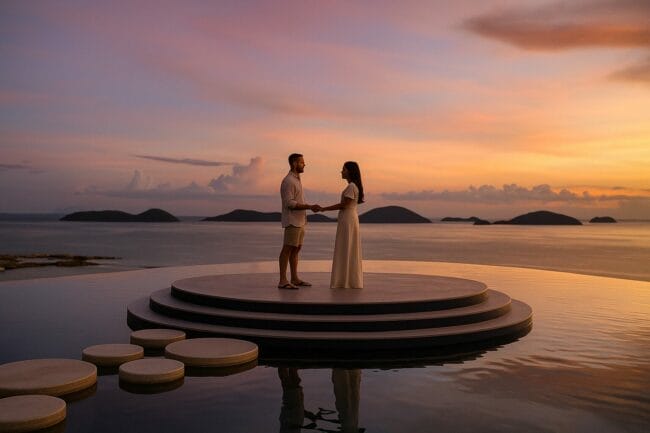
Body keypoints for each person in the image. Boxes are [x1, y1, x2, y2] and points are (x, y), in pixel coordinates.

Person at [318, 161, 364, 289]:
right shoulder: (353, 187)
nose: (341, 171)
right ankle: (347, 279)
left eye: (343, 169)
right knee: (347, 247)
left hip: (348, 219)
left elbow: (344, 204)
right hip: (349, 218)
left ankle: (344, 281)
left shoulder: (351, 187)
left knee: (346, 246)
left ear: (350, 171)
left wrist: (324, 209)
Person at [278, 153, 320, 289]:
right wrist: (309, 206)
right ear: (294, 163)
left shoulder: (297, 180)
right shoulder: (288, 181)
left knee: (296, 249)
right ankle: (283, 280)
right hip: (292, 221)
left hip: (300, 221)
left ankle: (294, 278)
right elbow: (289, 203)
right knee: (287, 249)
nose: (304, 164)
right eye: (302, 162)